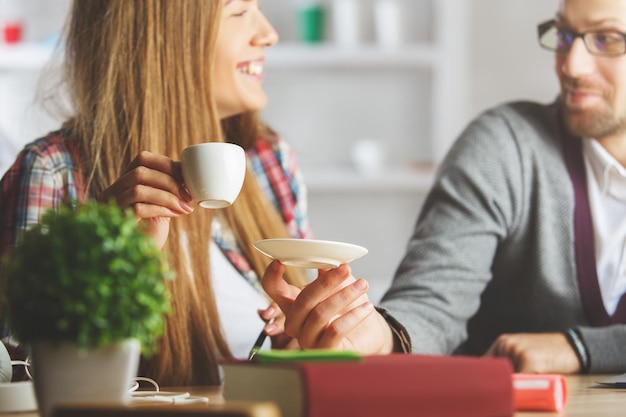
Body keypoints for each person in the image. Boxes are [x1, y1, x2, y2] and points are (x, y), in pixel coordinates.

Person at [260, 0, 626, 375]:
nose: (571, 65)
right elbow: (432, 303)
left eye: (607, 39)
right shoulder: (505, 146)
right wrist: (380, 338)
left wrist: (582, 348)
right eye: (564, 35)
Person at [0, 0, 310, 386]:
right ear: (166, 40)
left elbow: (304, 351)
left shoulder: (269, 160)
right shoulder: (51, 173)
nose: (268, 33)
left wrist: (297, 342)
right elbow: (14, 377)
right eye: (238, 12)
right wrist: (112, 261)